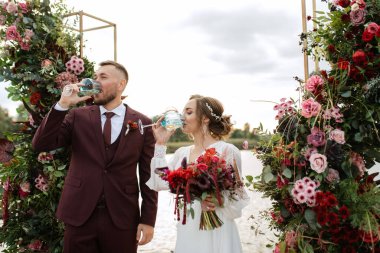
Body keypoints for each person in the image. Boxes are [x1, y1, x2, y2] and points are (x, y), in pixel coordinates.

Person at [32, 60, 158, 253]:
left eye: (103, 77)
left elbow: (149, 176)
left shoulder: (143, 123)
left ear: (121, 84)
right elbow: (41, 144)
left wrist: (148, 220)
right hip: (79, 214)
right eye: (95, 77)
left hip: (122, 218)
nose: (95, 81)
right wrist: (63, 104)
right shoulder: (77, 116)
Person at [146, 94, 250, 253]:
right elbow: (161, 183)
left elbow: (239, 197)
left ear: (205, 118)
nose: (182, 117)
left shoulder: (227, 151)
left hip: (217, 228)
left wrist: (217, 200)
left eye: (188, 112)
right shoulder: (182, 153)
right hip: (189, 228)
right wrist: (160, 145)